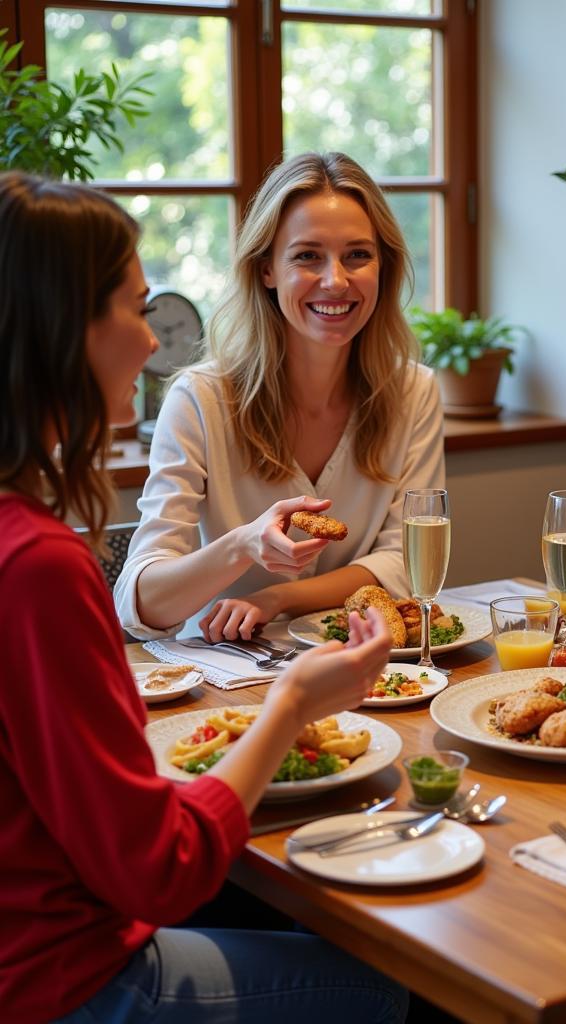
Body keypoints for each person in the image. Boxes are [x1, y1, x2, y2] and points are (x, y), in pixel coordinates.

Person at [0, 171, 406, 1022]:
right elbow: (164, 871)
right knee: (413, 986)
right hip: (68, 981)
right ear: (59, 328)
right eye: (134, 309)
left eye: (358, 256)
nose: (152, 342)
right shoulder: (37, 564)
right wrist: (293, 703)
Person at [114, 151, 444, 643]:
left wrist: (275, 598)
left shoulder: (414, 391)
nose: (336, 280)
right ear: (266, 269)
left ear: (383, 267)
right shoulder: (200, 400)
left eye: (358, 255)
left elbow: (407, 561)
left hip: (360, 667)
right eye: (307, 256)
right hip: (221, 683)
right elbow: (139, 605)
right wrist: (243, 545)